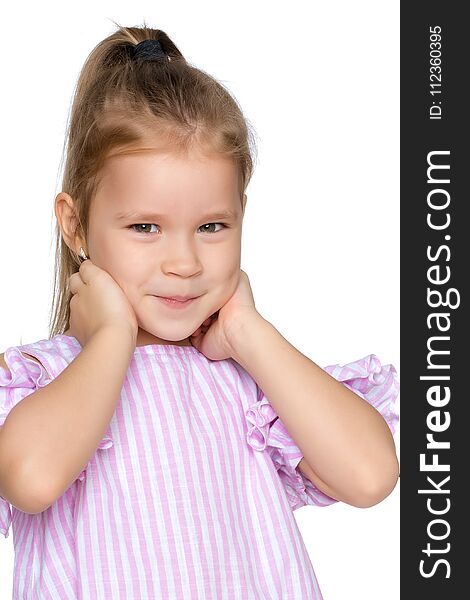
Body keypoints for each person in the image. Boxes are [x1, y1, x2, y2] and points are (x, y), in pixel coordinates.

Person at [0, 22, 399, 599]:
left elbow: (371, 476)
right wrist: (111, 337)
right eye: (145, 227)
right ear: (74, 224)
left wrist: (246, 330)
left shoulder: (245, 383)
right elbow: (31, 480)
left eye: (212, 226)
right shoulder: (45, 381)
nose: (184, 261)